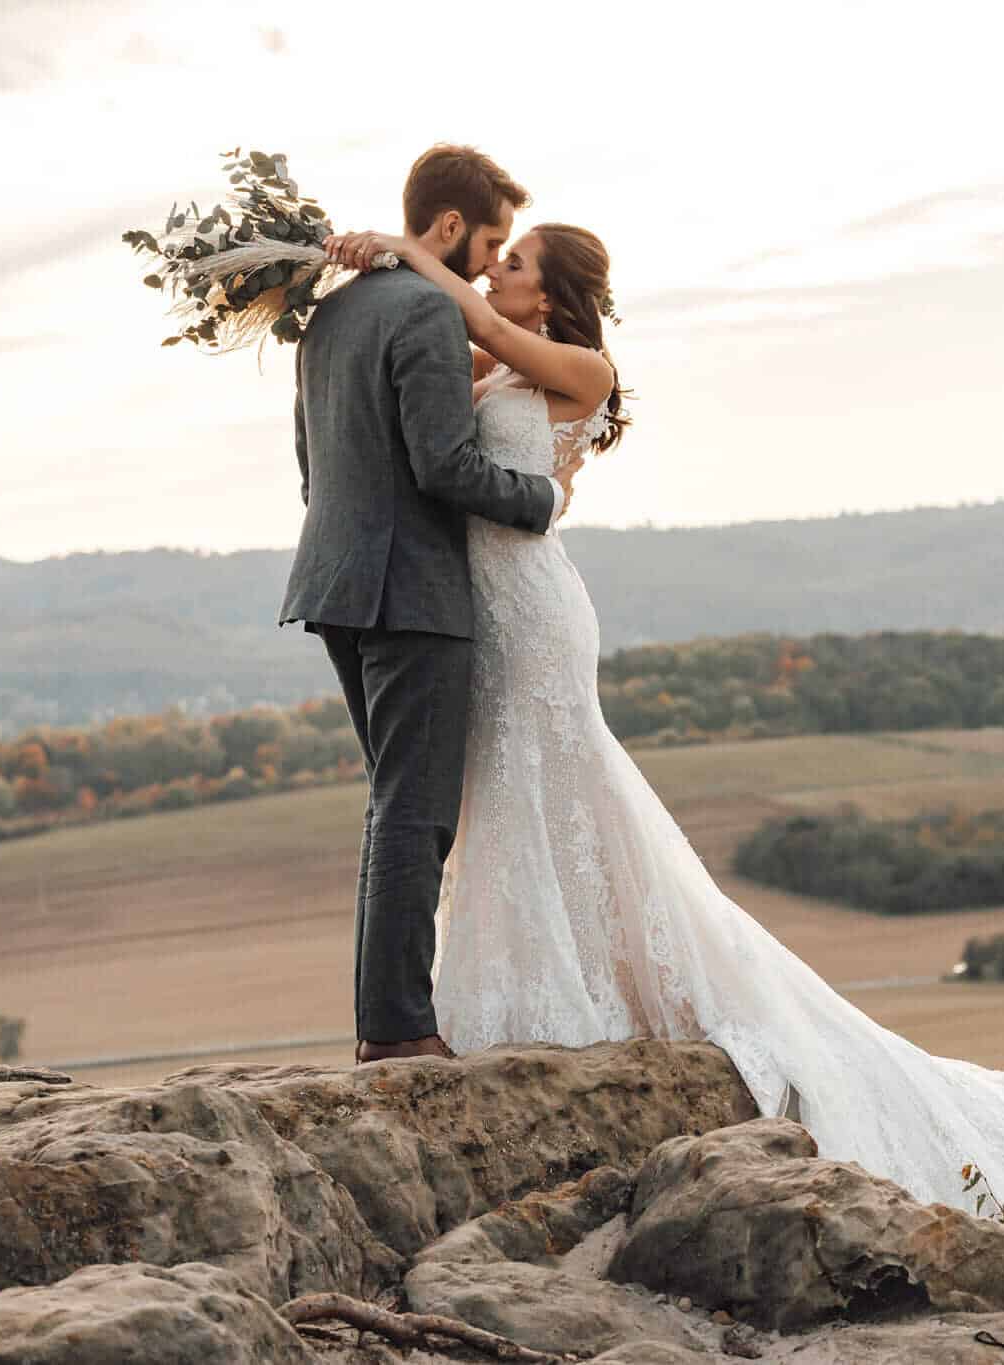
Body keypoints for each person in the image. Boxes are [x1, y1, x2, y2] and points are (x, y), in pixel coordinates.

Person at [320, 220, 1004, 1220]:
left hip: (536, 614)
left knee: (558, 784)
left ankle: (593, 994)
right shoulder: (489, 368)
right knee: (505, 797)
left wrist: (407, 254)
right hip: (481, 611)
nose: (490, 274)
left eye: (512, 265)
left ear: (548, 297)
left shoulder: (576, 367)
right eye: (493, 261)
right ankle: (532, 983)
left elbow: (469, 322)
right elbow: (423, 383)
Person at [280, 145, 584, 1066]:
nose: (491, 261)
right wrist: (542, 502)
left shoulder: (329, 316)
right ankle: (400, 1030)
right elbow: (443, 466)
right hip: (409, 590)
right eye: (490, 239)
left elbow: (311, 468)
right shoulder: (423, 313)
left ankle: (386, 1019)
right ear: (448, 227)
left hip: (333, 580)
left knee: (392, 806)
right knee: (416, 813)